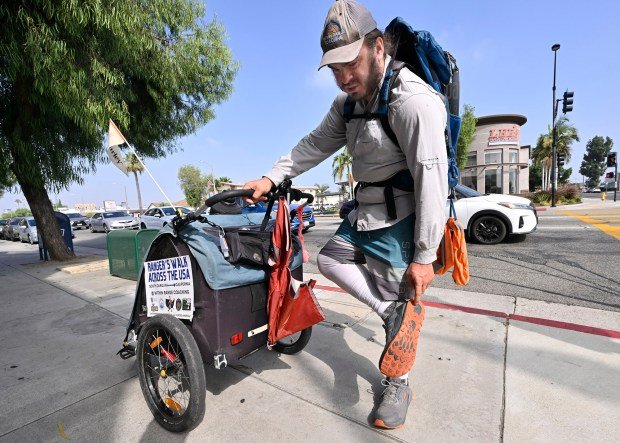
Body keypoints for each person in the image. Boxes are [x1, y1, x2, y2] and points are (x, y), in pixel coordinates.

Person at [243, 0, 447, 429]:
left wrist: (425, 256)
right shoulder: (348, 104)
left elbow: (433, 180)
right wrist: (270, 175)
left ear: (376, 47)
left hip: (402, 221)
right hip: (365, 212)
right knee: (330, 258)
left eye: (349, 64)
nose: (343, 77)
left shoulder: (413, 102)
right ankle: (391, 313)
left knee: (402, 304)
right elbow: (314, 144)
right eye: (334, 69)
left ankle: (398, 383)